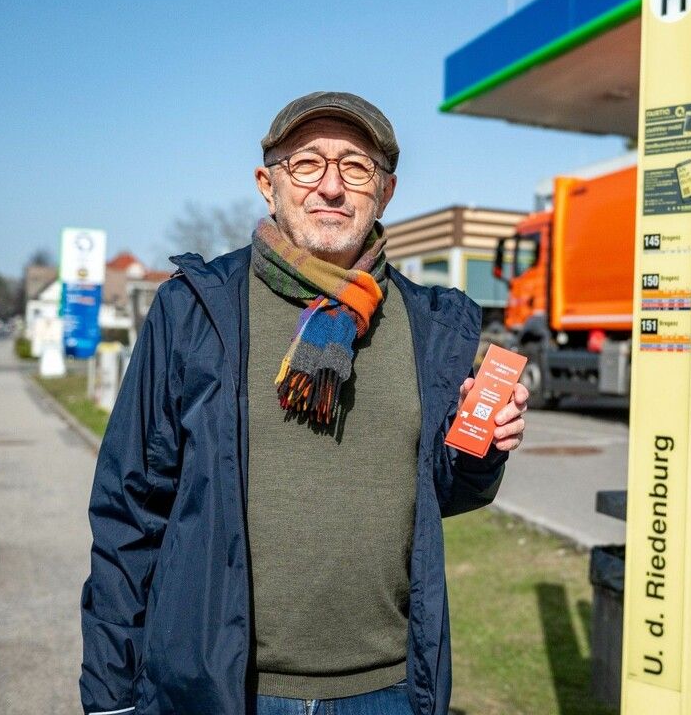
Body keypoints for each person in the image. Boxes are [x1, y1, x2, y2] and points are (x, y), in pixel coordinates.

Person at [79, 92, 528, 715]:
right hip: (227, 689)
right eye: (307, 164)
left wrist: (482, 453)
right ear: (269, 184)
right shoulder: (196, 310)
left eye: (355, 166)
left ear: (386, 191)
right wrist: (110, 694)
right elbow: (130, 508)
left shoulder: (430, 325)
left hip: (389, 690)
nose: (332, 187)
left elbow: (437, 492)